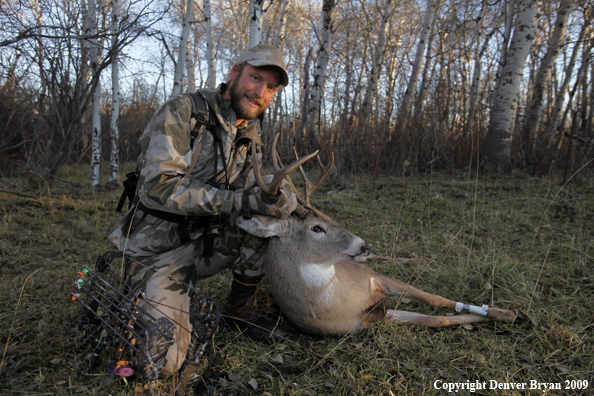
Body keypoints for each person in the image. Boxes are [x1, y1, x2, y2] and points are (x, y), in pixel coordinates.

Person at [109, 44, 296, 376]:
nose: (260, 92)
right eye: (255, 78)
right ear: (235, 72)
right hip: (157, 250)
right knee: (164, 363)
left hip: (204, 243)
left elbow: (245, 193)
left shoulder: (249, 133)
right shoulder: (184, 111)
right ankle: (140, 293)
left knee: (268, 201)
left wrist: (278, 197)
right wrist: (236, 201)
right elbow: (156, 187)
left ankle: (240, 310)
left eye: (270, 87)